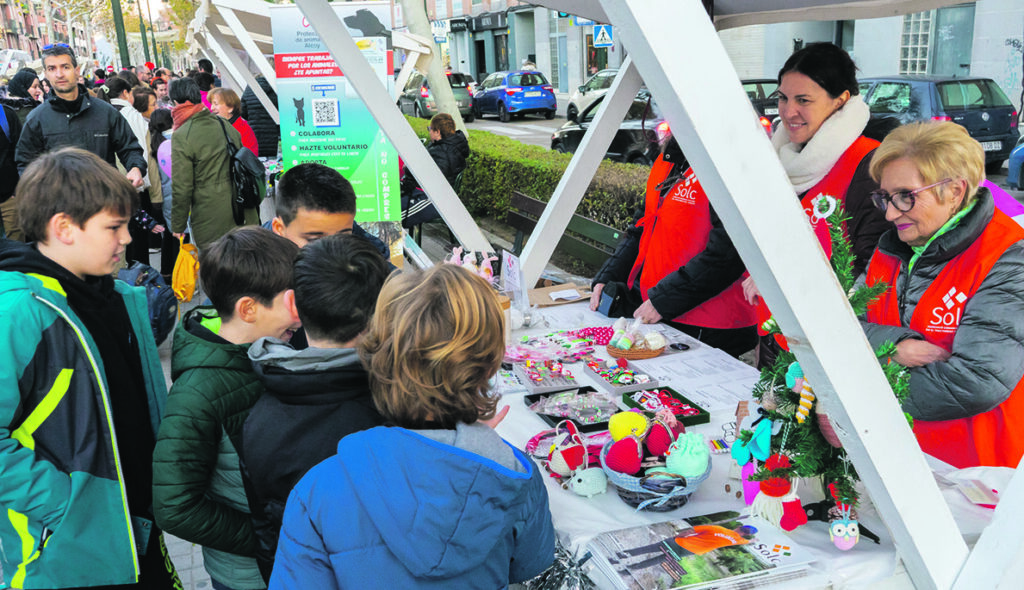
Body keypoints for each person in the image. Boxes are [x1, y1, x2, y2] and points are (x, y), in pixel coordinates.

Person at [270, 264, 555, 588]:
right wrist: (479, 446)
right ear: (489, 365)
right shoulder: (515, 475)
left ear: (377, 359)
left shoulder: (317, 491)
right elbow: (532, 567)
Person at [0, 147, 180, 588]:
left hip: (134, 525)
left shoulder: (118, 296)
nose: (126, 240)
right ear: (63, 227)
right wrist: (65, 504)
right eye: (114, 227)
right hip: (65, 549)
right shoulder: (20, 312)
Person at [861, 121, 1024, 469]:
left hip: (972, 474)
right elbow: (840, 325)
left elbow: (979, 382)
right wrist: (896, 346)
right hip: (898, 456)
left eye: (906, 196)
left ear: (954, 191)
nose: (890, 213)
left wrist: (861, 384)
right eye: (885, 198)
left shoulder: (1008, 256)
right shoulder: (891, 248)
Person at [153, 227, 300, 590]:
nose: (301, 314)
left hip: (289, 559)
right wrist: (264, 536)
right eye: (292, 300)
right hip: (249, 576)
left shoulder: (270, 347)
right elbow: (174, 506)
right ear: (248, 309)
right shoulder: (196, 394)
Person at [241, 233, 390, 582]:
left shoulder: (257, 412)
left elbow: (265, 527)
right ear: (385, 311)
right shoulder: (396, 410)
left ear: (293, 304)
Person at [740, 42, 890, 365]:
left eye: (803, 100)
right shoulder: (779, 156)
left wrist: (780, 276)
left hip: (826, 352)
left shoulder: (869, 166)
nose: (788, 111)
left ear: (840, 101)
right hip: (774, 336)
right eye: (782, 98)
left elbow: (873, 272)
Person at [589, 134, 758, 358]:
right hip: (662, 314)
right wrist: (606, 277)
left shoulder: (731, 165)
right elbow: (641, 226)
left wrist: (662, 301)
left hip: (713, 327)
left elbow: (727, 256)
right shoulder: (669, 160)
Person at [15, 45, 146, 189]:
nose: (59, 74)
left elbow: (130, 148)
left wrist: (135, 168)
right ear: (45, 74)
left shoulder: (106, 112)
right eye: (52, 69)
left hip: (105, 201)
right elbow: (25, 163)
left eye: (65, 67)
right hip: (60, 205)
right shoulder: (36, 118)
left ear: (77, 71)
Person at [169, 77, 258, 250]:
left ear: (175, 102)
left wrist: (178, 225)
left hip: (211, 215)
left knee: (217, 269)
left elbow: (182, 186)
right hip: (242, 208)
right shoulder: (224, 124)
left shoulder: (182, 135)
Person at [269, 162, 389, 258]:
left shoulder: (371, 260)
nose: (333, 254)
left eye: (343, 239)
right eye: (314, 240)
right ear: (279, 229)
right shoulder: (256, 274)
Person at [400, 112, 469, 228]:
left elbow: (431, 178)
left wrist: (408, 169)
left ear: (437, 132)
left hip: (433, 199)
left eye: (430, 129)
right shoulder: (443, 146)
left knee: (391, 217)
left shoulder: (444, 151)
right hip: (425, 193)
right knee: (388, 207)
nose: (429, 131)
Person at [209, 87, 259, 154]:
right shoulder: (215, 126)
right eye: (212, 104)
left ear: (230, 108)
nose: (212, 108)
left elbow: (248, 157)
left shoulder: (243, 130)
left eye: (216, 104)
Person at [240, 75, 280, 158]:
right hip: (275, 135)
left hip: (255, 135)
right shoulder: (277, 87)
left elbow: (243, 111)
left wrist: (253, 118)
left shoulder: (249, 88)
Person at [0, 98, 23, 240]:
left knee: (16, 243)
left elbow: (22, 153)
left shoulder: (6, 115)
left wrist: (19, 188)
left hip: (9, 196)